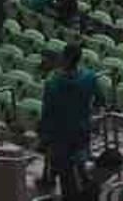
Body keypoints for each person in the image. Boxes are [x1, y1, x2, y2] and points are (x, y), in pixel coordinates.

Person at [39, 42, 100, 200]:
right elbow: (100, 100)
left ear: (65, 58)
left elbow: (47, 113)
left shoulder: (52, 83)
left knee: (66, 174)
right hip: (81, 129)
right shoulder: (90, 77)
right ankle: (85, 185)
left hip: (60, 134)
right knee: (80, 159)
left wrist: (44, 135)